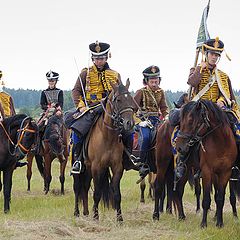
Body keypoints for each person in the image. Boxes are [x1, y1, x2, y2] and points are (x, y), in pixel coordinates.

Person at [175, 37, 240, 179]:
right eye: (212, 54)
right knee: (185, 131)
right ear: (206, 54)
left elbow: (227, 95)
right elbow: (191, 82)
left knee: (236, 129)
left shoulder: (223, 76)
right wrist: (199, 68)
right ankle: (182, 162)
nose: (214, 57)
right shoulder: (196, 70)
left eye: (217, 55)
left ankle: (235, 164)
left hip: (217, 112)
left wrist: (221, 101)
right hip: (198, 111)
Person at [70, 41, 122, 174]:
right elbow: (76, 91)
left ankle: (128, 158)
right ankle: (78, 159)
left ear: (107, 58)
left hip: (110, 110)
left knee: (127, 131)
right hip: (90, 109)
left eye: (102, 58)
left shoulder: (115, 75)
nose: (99, 61)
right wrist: (81, 107)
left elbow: (121, 93)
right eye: (96, 58)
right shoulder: (85, 74)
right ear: (93, 58)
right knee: (77, 130)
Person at [134, 65, 169, 178]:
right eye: (152, 81)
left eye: (156, 81)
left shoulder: (161, 92)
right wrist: (139, 121)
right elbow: (132, 110)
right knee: (146, 138)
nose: (155, 84)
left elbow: (164, 108)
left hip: (157, 120)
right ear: (146, 81)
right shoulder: (141, 92)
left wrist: (167, 116)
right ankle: (143, 163)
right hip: (144, 121)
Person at [37, 70, 63, 151]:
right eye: (49, 80)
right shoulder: (44, 92)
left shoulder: (60, 92)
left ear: (56, 81)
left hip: (57, 113)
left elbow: (61, 103)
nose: (51, 82)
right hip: (47, 113)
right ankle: (37, 146)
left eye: (52, 80)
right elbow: (42, 104)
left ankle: (65, 143)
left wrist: (56, 107)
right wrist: (48, 107)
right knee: (38, 126)